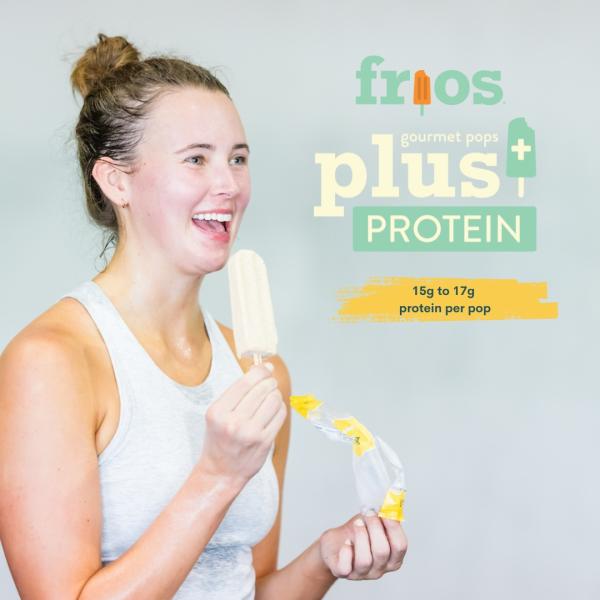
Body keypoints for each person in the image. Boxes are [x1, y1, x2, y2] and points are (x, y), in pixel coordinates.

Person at [0, 33, 408, 599]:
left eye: (238, 159)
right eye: (196, 159)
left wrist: (324, 560)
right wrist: (218, 475)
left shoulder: (258, 371)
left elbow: (249, 589)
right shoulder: (50, 364)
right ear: (116, 179)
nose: (229, 185)